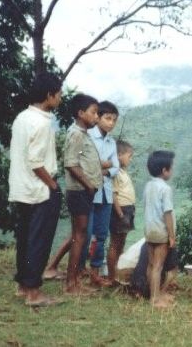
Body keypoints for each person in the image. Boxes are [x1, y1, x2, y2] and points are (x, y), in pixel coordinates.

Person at [7, 72, 63, 306]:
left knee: (26, 238)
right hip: (39, 189)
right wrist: (52, 185)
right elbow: (36, 161)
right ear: (49, 96)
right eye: (58, 94)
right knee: (39, 239)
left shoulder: (22, 117)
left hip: (21, 188)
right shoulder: (42, 123)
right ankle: (34, 292)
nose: (60, 99)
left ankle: (23, 285)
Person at [62, 93, 103, 296]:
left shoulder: (83, 133)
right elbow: (70, 163)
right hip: (79, 192)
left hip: (83, 192)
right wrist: (88, 184)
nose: (96, 117)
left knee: (81, 235)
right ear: (80, 113)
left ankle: (76, 279)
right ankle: (71, 283)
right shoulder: (77, 134)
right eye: (93, 112)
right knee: (79, 236)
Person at [81, 100, 119, 286]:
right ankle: (79, 271)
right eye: (108, 118)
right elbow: (87, 166)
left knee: (101, 235)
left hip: (106, 193)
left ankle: (95, 272)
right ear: (99, 117)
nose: (111, 123)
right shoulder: (88, 136)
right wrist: (104, 166)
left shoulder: (111, 142)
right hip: (89, 191)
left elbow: (115, 167)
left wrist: (103, 168)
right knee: (85, 234)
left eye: (114, 120)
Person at [134, 150, 178, 307]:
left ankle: (153, 293)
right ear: (164, 170)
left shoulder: (148, 186)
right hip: (161, 232)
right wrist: (171, 236)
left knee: (151, 265)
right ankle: (155, 298)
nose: (172, 171)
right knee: (158, 267)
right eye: (171, 168)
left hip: (149, 230)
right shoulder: (166, 189)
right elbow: (167, 213)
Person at [106, 139, 136, 282]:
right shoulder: (116, 172)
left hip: (128, 209)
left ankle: (118, 272)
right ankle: (112, 276)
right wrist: (119, 213)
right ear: (119, 155)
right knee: (115, 242)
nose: (130, 159)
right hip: (121, 210)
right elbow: (113, 194)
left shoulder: (123, 172)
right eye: (129, 156)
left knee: (121, 242)